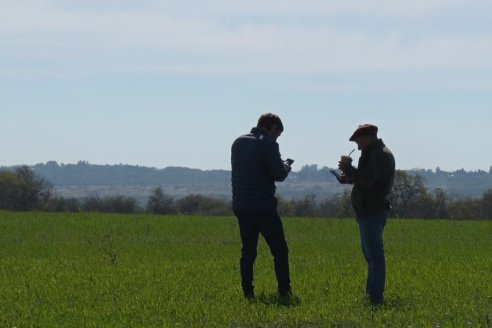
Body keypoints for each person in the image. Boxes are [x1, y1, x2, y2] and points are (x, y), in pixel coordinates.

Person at [231, 113, 294, 300]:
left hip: (242, 206)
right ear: (272, 127)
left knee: (248, 251)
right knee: (280, 251)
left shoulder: (238, 142)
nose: (276, 137)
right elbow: (279, 174)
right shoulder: (268, 144)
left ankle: (248, 292)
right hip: (263, 207)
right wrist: (286, 166)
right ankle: (284, 290)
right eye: (277, 133)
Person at [338, 124, 395, 305]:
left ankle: (375, 298)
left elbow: (367, 180)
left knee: (375, 257)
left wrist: (348, 168)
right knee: (371, 256)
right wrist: (349, 176)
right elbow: (366, 179)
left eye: (359, 141)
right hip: (368, 211)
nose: (358, 146)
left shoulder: (379, 155)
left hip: (372, 211)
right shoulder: (374, 153)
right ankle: (372, 295)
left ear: (368, 137)